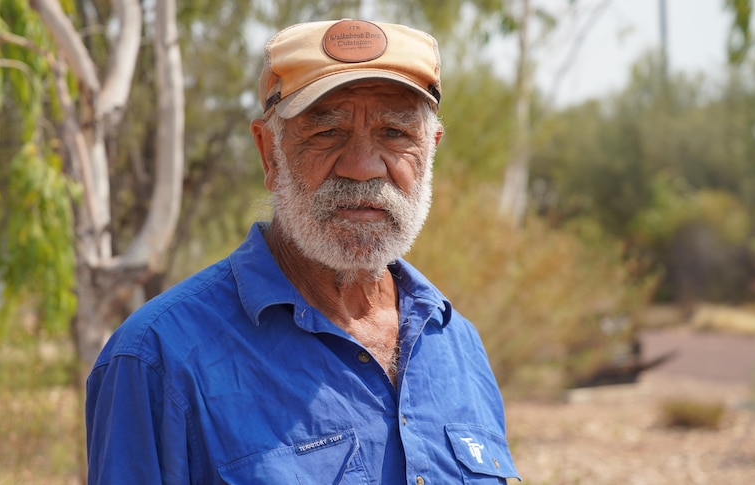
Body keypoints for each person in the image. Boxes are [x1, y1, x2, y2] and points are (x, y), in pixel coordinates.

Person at [86, 19, 520, 484]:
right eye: (326, 133)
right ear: (268, 154)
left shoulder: (457, 345)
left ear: (429, 150)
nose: (362, 167)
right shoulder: (157, 360)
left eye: (395, 134)